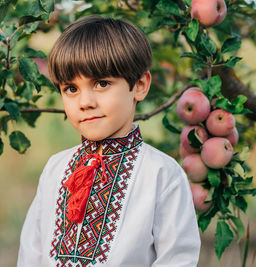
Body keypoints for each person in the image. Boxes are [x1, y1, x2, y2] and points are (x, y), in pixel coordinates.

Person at [17, 15, 200, 267]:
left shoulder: (162, 174)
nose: (85, 102)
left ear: (139, 85)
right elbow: (31, 254)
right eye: (71, 88)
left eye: (102, 83)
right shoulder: (55, 169)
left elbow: (178, 260)